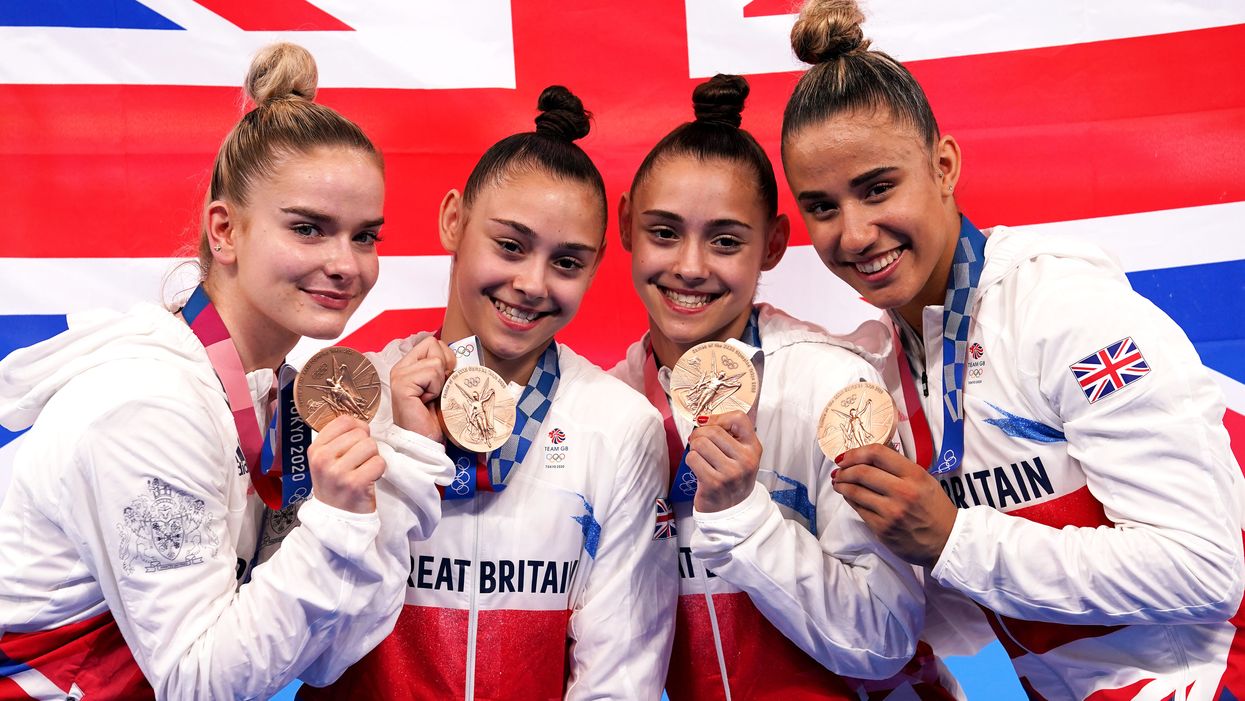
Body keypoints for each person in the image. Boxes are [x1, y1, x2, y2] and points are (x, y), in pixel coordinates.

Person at [780, 1, 1245, 698]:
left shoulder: (1058, 308)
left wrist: (951, 539)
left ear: (942, 166)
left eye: (878, 188)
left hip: (1207, 671)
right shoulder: (875, 366)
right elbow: (961, 617)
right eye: (821, 206)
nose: (852, 233)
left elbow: (1204, 566)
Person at [0, 43, 452, 700]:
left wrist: (406, 461)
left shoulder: (268, 395)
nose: (346, 264)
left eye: (364, 236)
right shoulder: (152, 409)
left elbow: (321, 652)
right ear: (225, 231)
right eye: (309, 228)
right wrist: (332, 520)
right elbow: (200, 682)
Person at [303, 86, 677, 701]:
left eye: (568, 262)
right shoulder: (347, 400)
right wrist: (399, 453)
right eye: (510, 245)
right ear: (454, 220)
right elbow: (314, 655)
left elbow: (620, 679)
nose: (530, 283)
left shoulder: (619, 425)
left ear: (597, 264)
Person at [611, 73, 961, 700]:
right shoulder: (607, 409)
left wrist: (746, 517)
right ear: (626, 226)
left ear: (772, 244)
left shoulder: (834, 383)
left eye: (725, 241)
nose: (690, 267)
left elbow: (883, 640)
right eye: (664, 232)